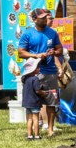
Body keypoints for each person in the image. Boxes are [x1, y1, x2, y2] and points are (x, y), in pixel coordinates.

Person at [17, 8, 63, 137]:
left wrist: (54, 52)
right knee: (33, 102)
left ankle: (50, 129)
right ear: (34, 19)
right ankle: (32, 132)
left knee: (52, 101)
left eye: (45, 17)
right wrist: (36, 56)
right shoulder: (28, 34)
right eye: (41, 17)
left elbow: (60, 49)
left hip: (50, 72)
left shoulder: (52, 33)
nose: (44, 19)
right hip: (33, 73)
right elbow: (21, 52)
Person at [20, 57, 47, 140]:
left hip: (27, 102)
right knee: (36, 119)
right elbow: (38, 90)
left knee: (29, 119)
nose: (39, 69)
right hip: (34, 102)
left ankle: (29, 135)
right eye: (37, 67)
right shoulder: (35, 79)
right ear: (33, 69)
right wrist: (43, 93)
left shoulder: (25, 79)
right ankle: (37, 135)